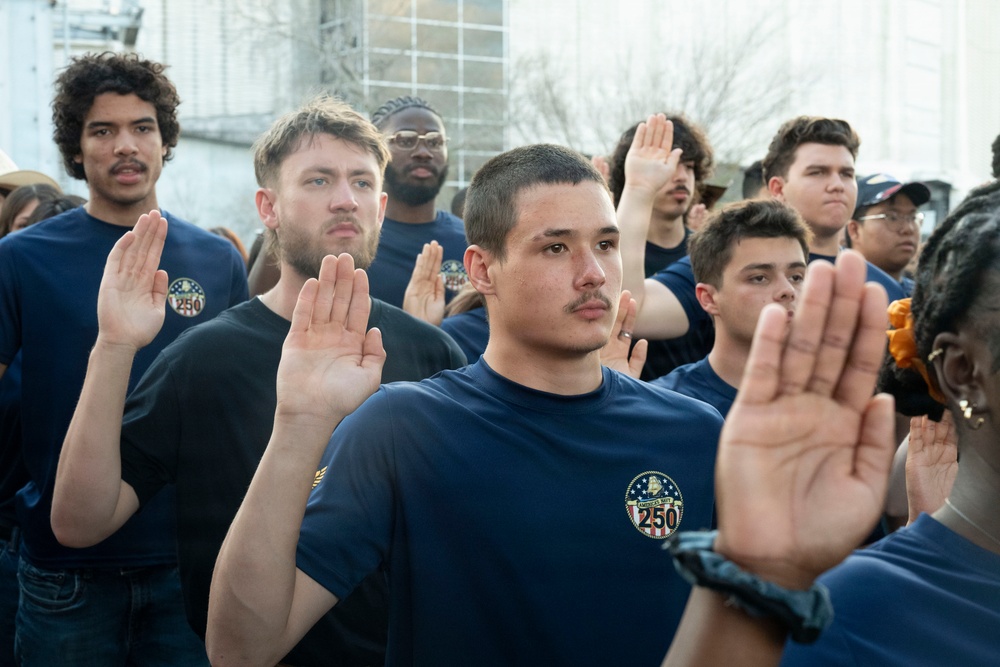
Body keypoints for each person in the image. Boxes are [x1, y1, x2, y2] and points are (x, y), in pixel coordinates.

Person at [206, 143, 721, 666]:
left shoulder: (694, 432)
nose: (593, 273)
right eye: (556, 248)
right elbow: (241, 649)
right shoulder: (403, 429)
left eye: (607, 244)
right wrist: (299, 423)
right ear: (481, 269)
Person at [51, 96, 465, 666]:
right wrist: (115, 345)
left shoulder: (430, 352)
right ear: (267, 207)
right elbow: (80, 522)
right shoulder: (205, 356)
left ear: (382, 204)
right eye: (318, 180)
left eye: (363, 183)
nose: (346, 199)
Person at [0, 51, 248, 665]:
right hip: (64, 571)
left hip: (186, 564)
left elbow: (240, 403)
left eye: (142, 127)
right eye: (102, 130)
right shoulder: (22, 259)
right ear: (76, 150)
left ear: (165, 142)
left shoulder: (217, 261)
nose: (125, 146)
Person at [652, 199, 810, 418]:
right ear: (708, 298)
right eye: (759, 278)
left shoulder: (835, 397)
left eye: (796, 276)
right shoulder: (664, 406)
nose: (787, 290)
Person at [608, 113, 716, 380]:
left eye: (689, 166)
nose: (680, 176)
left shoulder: (711, 251)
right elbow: (619, 309)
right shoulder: (612, 253)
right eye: (667, 164)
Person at [365, 96, 468, 307]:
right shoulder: (353, 241)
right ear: (375, 152)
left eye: (435, 142)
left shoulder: (470, 242)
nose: (423, 152)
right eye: (405, 140)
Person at [846, 173, 930, 294]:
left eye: (913, 217)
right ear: (854, 230)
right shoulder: (842, 293)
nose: (909, 228)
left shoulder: (922, 297)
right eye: (892, 217)